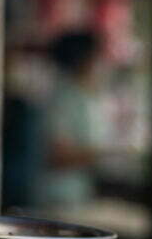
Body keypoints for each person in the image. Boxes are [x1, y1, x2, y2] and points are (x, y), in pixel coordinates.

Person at [40, 30, 110, 207]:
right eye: (96, 57)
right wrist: (112, 154)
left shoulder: (86, 97)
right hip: (56, 198)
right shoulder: (61, 97)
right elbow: (58, 155)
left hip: (78, 196)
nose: (101, 64)